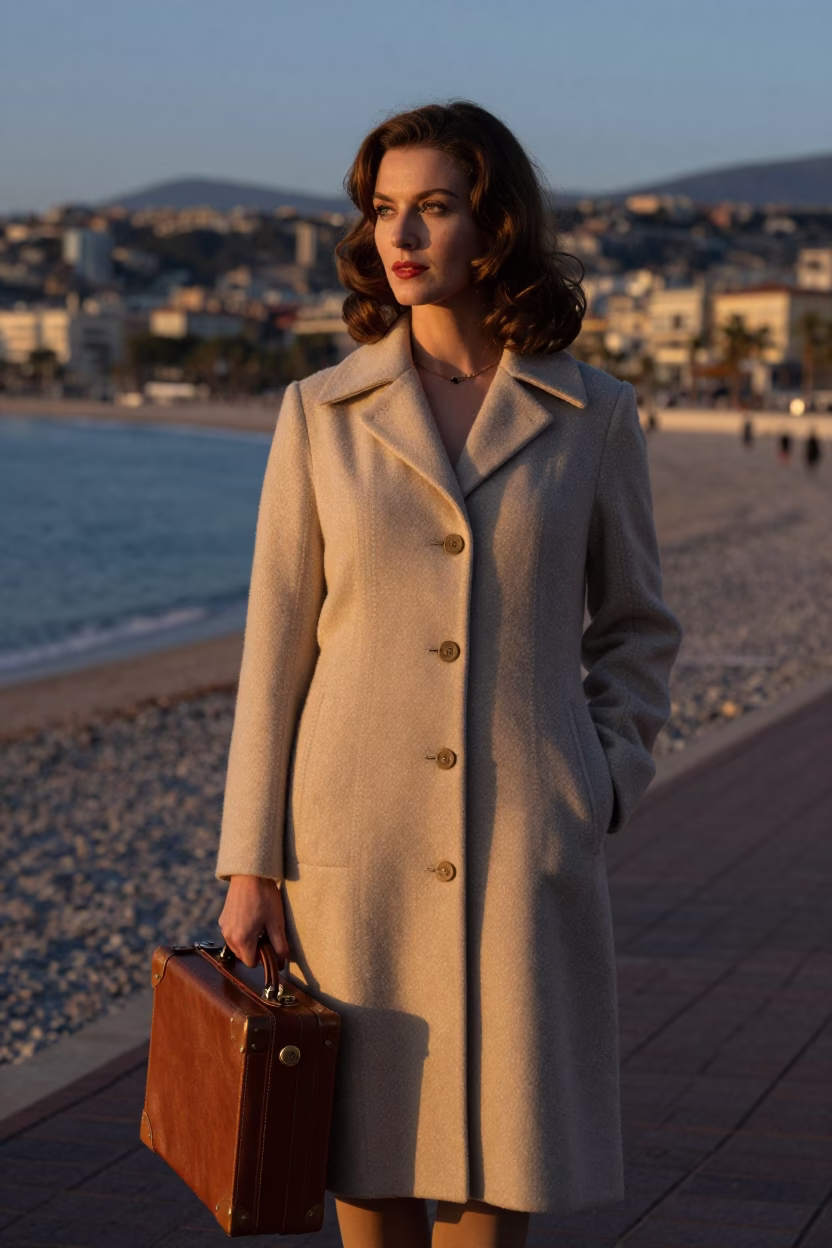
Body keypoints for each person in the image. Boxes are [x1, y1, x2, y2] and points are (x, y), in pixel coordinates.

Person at [215, 100, 683, 1248]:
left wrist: (601, 779)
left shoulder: (591, 414)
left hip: (523, 841)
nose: (401, 233)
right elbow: (275, 650)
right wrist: (250, 866)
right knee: (368, 1167)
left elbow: (636, 629)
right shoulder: (320, 415)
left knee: (495, 1170)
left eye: (433, 205)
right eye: (383, 209)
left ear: (495, 223)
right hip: (351, 845)